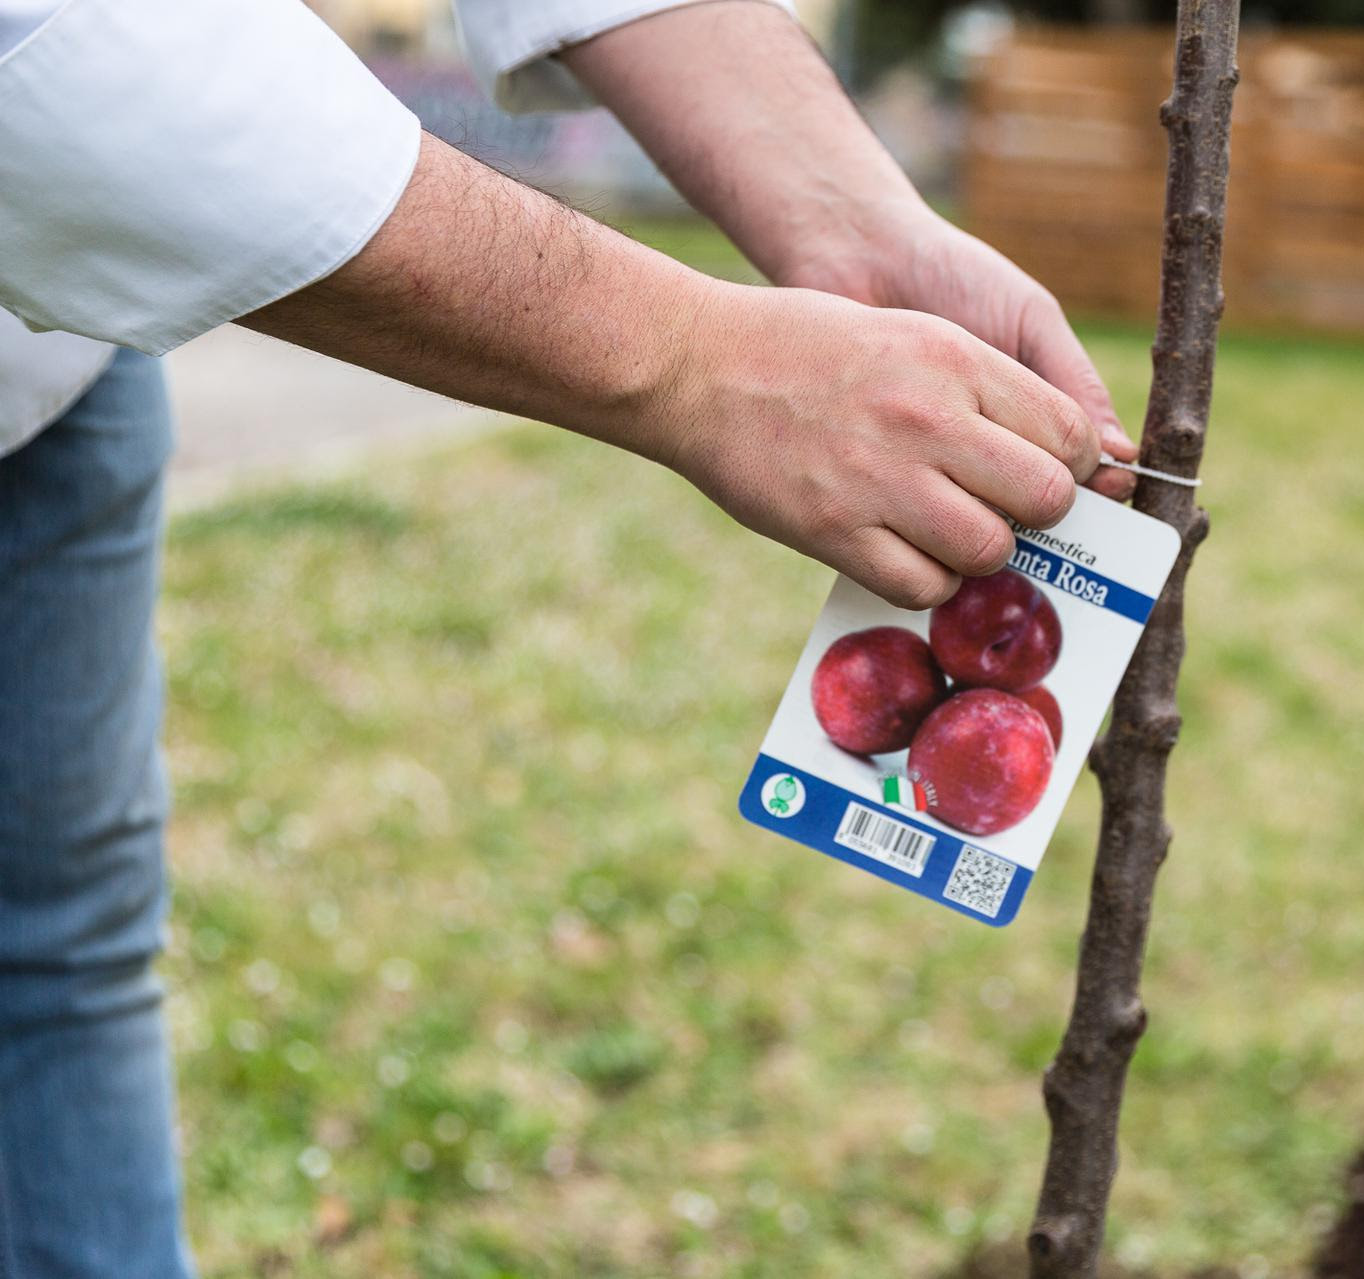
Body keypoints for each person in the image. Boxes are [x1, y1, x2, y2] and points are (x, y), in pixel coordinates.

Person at [0, 1, 1139, 1272]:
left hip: (51, 362)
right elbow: (59, 54)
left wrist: (853, 224)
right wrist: (694, 358)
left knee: (62, 948)